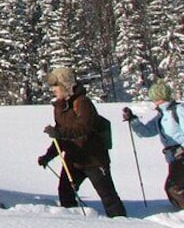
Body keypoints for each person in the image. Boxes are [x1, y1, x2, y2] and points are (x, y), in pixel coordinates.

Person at [38, 67, 126, 217]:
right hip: (73, 159)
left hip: (94, 159)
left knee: (108, 196)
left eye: (56, 86)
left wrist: (58, 132)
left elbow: (83, 128)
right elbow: (60, 137)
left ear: (66, 85)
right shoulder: (59, 107)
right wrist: (48, 156)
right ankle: (76, 224)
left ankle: (123, 224)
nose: (53, 90)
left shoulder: (83, 102)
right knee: (65, 192)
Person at [122, 81, 184, 210]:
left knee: (173, 187)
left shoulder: (178, 111)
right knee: (174, 187)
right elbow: (147, 132)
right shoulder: (161, 116)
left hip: (181, 154)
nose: (153, 101)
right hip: (173, 156)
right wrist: (133, 120)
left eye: (155, 97)